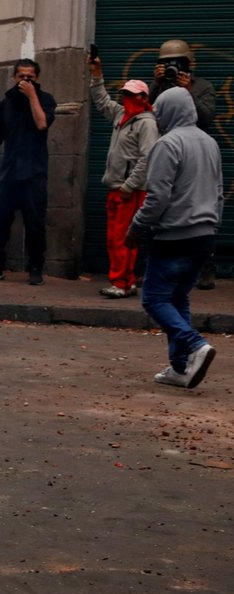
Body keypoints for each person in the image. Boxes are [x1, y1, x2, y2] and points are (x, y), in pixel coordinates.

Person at [125, 87, 222, 389]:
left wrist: (136, 227)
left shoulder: (168, 144)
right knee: (178, 297)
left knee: (154, 299)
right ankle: (180, 367)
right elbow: (218, 193)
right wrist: (212, 226)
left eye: (160, 110)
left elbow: (157, 197)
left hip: (174, 236)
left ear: (168, 111)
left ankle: (195, 345)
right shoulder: (210, 143)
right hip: (204, 236)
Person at [0, 59, 56, 285]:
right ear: (14, 77)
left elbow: (41, 124)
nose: (26, 81)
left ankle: (35, 267)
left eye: (30, 77)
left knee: (35, 225)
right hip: (10, 172)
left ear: (37, 79)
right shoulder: (6, 103)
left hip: (34, 172)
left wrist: (32, 96)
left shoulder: (45, 100)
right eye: (21, 77)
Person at [148, 38, 218, 291]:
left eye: (177, 63)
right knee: (163, 204)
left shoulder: (202, 87)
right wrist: (156, 85)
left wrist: (187, 92)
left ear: (189, 64)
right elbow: (145, 113)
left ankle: (204, 267)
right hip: (165, 151)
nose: (172, 67)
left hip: (195, 153)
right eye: (166, 63)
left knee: (198, 206)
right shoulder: (159, 87)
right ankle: (158, 267)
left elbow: (207, 118)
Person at [88, 55, 158, 299]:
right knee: (115, 238)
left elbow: (147, 157)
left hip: (130, 190)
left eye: (132, 95)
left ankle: (122, 283)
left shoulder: (146, 123)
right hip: (118, 188)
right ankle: (124, 281)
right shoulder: (121, 115)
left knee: (122, 239)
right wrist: (97, 74)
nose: (127, 98)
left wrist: (129, 185)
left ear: (144, 98)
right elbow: (101, 100)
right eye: (125, 94)